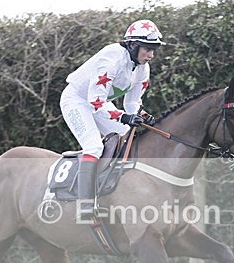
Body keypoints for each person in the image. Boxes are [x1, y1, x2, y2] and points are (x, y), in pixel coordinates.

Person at [60, 19, 165, 220]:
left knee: (128, 135)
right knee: (94, 147)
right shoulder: (112, 59)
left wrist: (142, 115)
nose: (151, 55)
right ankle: (85, 203)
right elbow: (95, 102)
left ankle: (117, 191)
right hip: (77, 100)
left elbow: (132, 103)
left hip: (97, 101)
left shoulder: (143, 67)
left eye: (154, 50)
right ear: (133, 45)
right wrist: (125, 117)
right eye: (147, 49)